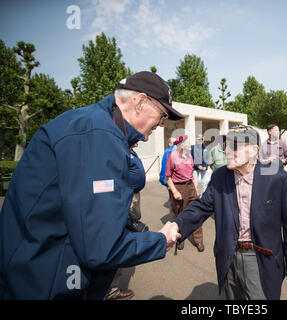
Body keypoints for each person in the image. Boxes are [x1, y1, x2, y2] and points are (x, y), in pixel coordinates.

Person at [0, 71, 182, 299]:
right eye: (162, 115)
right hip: (46, 283)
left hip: (37, 270)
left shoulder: (90, 125)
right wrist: (160, 240)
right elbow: (101, 248)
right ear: (140, 101)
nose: (161, 124)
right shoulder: (99, 136)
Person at [171, 125, 287, 300]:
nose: (227, 150)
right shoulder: (220, 177)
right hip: (228, 257)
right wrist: (176, 226)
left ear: (254, 150)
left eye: (234, 146)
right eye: (226, 145)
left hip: (262, 260)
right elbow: (201, 207)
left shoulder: (279, 179)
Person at [106, 143, 144, 300]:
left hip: (133, 199)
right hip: (123, 201)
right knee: (117, 243)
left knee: (130, 233)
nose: (137, 140)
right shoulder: (117, 150)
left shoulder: (131, 151)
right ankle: (111, 290)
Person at [166, 135, 204, 252]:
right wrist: (175, 191)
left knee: (196, 213)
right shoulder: (172, 156)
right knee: (180, 215)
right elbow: (168, 177)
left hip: (191, 186)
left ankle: (198, 240)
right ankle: (180, 239)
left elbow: (191, 173)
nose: (190, 145)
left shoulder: (189, 156)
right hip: (179, 187)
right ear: (181, 145)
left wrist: (195, 188)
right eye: (188, 143)